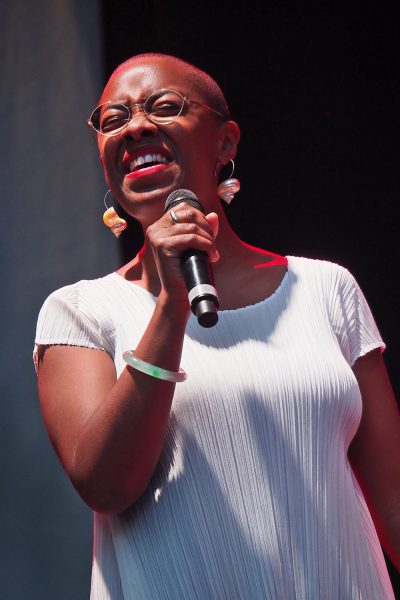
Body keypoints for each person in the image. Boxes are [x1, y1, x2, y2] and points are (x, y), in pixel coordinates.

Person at [34, 52, 399, 599]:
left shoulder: (327, 290)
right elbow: (106, 484)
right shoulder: (80, 311)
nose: (135, 126)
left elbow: (392, 497)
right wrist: (170, 307)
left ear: (226, 142)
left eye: (163, 106)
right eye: (113, 120)